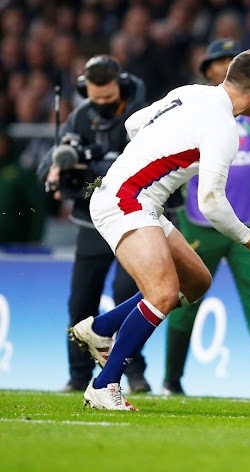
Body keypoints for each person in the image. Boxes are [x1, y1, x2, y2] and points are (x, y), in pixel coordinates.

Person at [68, 49, 250, 410]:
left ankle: (101, 328)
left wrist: (158, 160)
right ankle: (104, 386)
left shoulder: (193, 91)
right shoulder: (225, 128)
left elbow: (133, 124)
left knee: (195, 282)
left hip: (137, 198)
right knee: (164, 293)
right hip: (126, 200)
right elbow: (211, 203)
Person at [162, 39, 250, 399]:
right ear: (207, 71)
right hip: (199, 224)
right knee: (183, 303)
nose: (224, 65)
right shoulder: (196, 106)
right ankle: (171, 381)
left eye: (230, 60)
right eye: (217, 61)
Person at [36, 55, 151, 393]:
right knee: (81, 301)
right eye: (95, 97)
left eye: (107, 97)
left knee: (128, 295)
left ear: (121, 86)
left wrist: (95, 166)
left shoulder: (142, 115)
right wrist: (55, 169)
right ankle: (76, 375)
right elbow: (53, 156)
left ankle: (133, 371)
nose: (100, 104)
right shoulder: (80, 116)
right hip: (92, 223)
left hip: (136, 218)